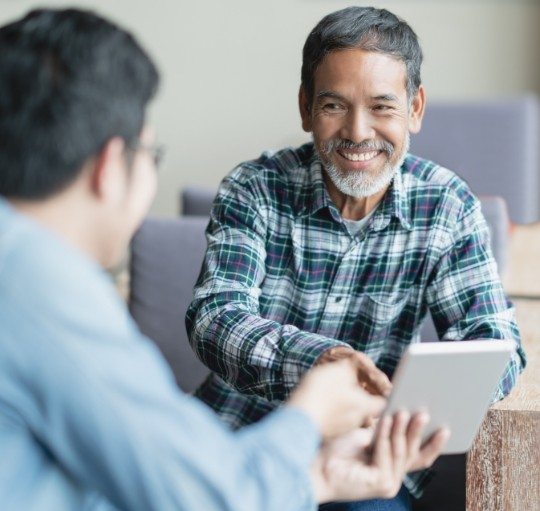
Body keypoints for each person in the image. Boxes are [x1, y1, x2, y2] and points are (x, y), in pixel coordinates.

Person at [0, 7, 450, 511]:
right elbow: (207, 495)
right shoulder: (47, 294)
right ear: (111, 166)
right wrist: (310, 414)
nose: (358, 130)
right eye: (152, 155)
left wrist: (315, 473)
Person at [186, 6, 527, 510]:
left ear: (415, 108)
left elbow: (496, 345)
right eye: (333, 106)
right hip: (242, 439)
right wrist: (321, 363)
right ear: (305, 108)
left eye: (382, 107)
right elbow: (215, 318)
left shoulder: (447, 205)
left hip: (372, 456)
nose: (358, 132)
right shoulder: (253, 189)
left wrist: (411, 409)